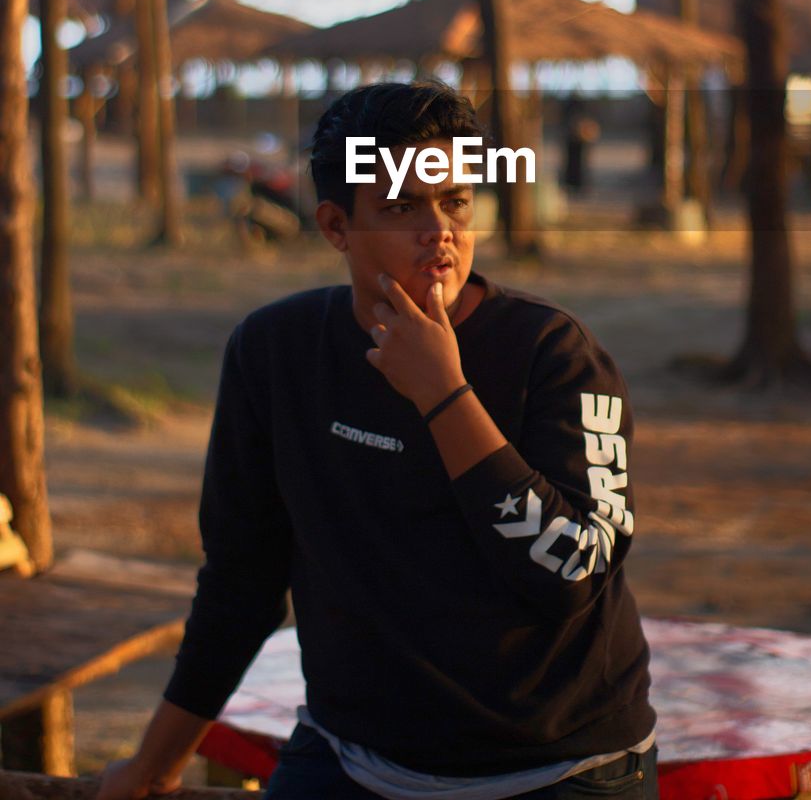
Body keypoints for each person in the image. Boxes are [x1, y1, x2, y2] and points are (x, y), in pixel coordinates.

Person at [97, 81, 657, 800]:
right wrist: (153, 764)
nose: (440, 232)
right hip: (349, 752)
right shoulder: (276, 352)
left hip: (560, 766)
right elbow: (241, 579)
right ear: (336, 227)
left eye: (454, 201)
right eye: (401, 208)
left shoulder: (553, 354)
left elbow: (570, 576)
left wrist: (443, 395)